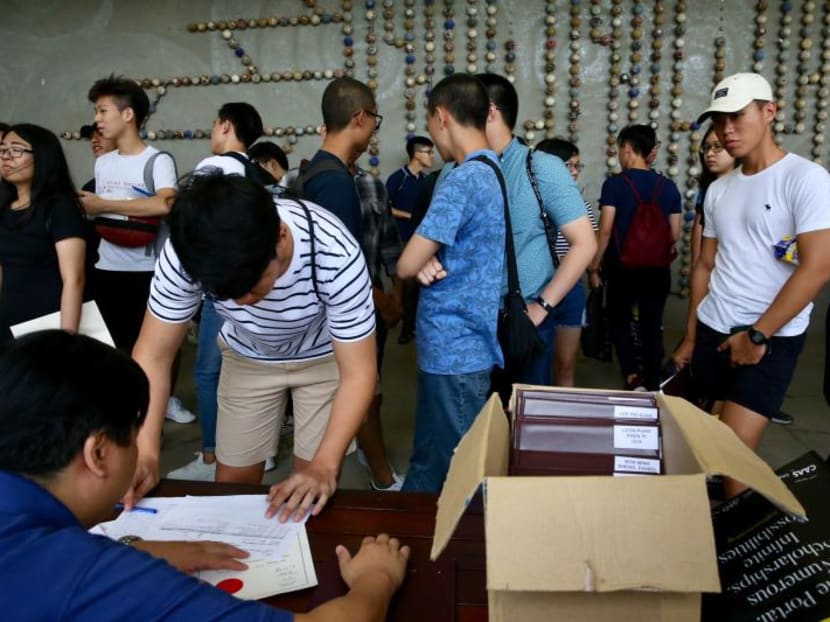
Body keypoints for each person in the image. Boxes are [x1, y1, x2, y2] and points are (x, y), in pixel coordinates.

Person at [0, 330, 409, 621]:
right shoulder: (89, 575)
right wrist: (376, 580)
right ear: (98, 452)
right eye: (136, 435)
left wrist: (132, 547)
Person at [130, 173, 376, 523]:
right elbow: (153, 355)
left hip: (323, 359)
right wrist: (146, 451)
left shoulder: (333, 250)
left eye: (254, 290)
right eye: (227, 296)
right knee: (232, 484)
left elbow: (359, 373)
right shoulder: (189, 252)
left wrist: (324, 465)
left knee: (310, 485)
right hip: (247, 357)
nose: (244, 306)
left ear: (281, 236)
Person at [673, 73, 830, 497]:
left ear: (768, 111)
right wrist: (691, 335)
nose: (727, 129)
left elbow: (817, 267)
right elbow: (704, 266)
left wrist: (759, 334)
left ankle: (736, 552)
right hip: (711, 330)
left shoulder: (805, 179)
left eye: (737, 116)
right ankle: (698, 537)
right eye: (720, 119)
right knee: (700, 448)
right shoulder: (720, 190)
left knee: (733, 459)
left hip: (767, 339)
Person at [397, 74, 505, 493]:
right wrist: (428, 258)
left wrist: (420, 259)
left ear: (441, 116)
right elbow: (440, 252)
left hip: (454, 346)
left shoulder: (461, 179)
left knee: (458, 468)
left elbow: (407, 264)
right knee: (431, 455)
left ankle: (459, 551)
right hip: (467, 342)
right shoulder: (491, 168)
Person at [301, 78, 399, 493]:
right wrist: (384, 302)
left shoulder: (315, 173)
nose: (375, 128)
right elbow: (341, 268)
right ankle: (381, 480)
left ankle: (376, 471)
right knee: (361, 392)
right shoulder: (335, 183)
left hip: (334, 314)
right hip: (343, 316)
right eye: (374, 118)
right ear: (360, 118)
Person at [78, 76, 194, 425]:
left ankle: (163, 400)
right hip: (107, 267)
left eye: (103, 111)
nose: (98, 119)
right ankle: (125, 411)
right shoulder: (103, 162)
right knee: (113, 349)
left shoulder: (157, 160)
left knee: (158, 347)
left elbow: (165, 205)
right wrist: (103, 208)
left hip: (148, 270)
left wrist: (102, 205)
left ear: (128, 115)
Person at [168, 102, 274, 481]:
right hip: (259, 287)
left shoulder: (213, 171)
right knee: (253, 367)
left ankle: (212, 455)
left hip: (222, 288)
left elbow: (189, 228)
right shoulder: (257, 174)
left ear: (226, 126)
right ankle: (260, 451)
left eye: (215, 125)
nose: (213, 132)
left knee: (209, 372)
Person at [476, 73, 596, 395]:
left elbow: (585, 243)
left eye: (464, 108)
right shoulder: (454, 168)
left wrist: (543, 305)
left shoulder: (540, 166)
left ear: (489, 112)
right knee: (473, 428)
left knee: (524, 421)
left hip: (525, 321)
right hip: (469, 326)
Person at [588, 124, 682, 391]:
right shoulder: (669, 187)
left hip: (622, 269)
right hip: (657, 269)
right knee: (652, 325)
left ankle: (631, 376)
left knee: (620, 320)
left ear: (627, 147)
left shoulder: (615, 185)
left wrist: (595, 264)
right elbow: (674, 234)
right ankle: (654, 382)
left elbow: (605, 230)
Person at [0, 124, 86, 341]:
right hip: (8, 320)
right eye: (3, 150)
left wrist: (66, 338)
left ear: (42, 157)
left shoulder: (60, 207)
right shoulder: (4, 206)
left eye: (16, 150)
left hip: (47, 322)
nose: (7, 157)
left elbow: (73, 279)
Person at [352, 157, 405, 491]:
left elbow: (390, 246)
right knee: (362, 391)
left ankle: (364, 448)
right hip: (336, 307)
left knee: (373, 386)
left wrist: (395, 299)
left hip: (371, 307)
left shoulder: (372, 185)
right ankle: (381, 476)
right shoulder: (304, 184)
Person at [535, 138, 599, 387]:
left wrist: (576, 261)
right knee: (535, 366)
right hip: (535, 289)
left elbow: (589, 252)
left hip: (570, 291)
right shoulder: (528, 205)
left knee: (566, 365)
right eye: (568, 165)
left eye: (576, 166)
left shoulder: (582, 207)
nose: (573, 172)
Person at [386, 136, 435, 345]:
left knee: (419, 287)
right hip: (401, 240)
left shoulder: (426, 181)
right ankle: (404, 328)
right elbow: (385, 207)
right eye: (428, 152)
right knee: (405, 287)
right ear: (416, 154)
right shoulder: (397, 178)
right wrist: (410, 216)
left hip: (422, 241)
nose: (433, 156)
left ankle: (411, 328)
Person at [691, 125, 736, 267]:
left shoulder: (750, 187)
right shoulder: (707, 188)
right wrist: (696, 266)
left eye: (717, 147)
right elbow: (699, 228)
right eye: (706, 147)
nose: (709, 153)